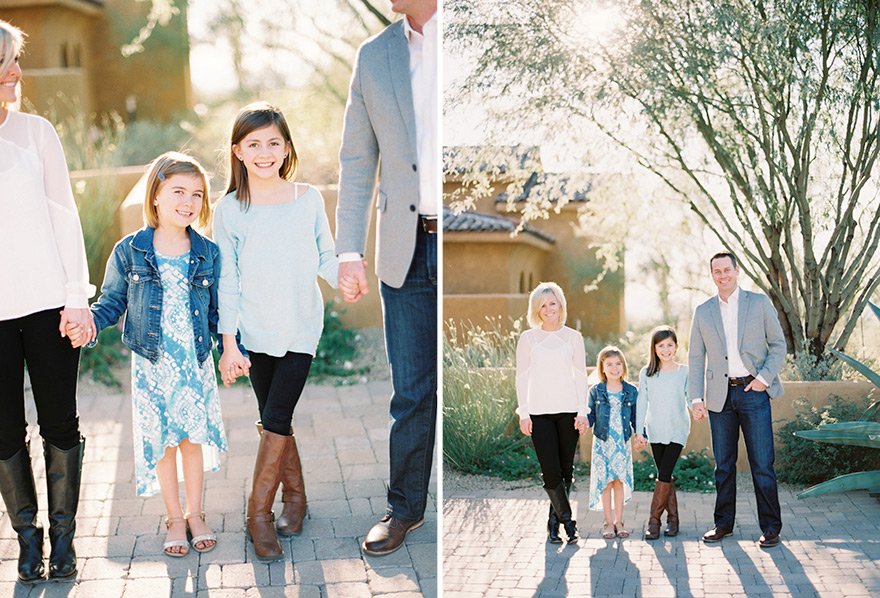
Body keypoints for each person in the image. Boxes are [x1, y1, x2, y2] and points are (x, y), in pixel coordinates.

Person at [68, 152, 235, 558]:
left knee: (192, 440)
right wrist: (88, 323)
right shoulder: (130, 251)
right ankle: (174, 517)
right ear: (155, 195)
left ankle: (196, 513)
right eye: (178, 191)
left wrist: (233, 350)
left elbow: (217, 312)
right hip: (151, 365)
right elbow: (111, 302)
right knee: (163, 443)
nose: (189, 201)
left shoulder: (207, 252)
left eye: (197, 194)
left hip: (193, 363)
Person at [213, 102, 339, 561]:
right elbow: (227, 280)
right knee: (274, 421)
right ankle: (297, 499)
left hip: (300, 328)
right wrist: (229, 343)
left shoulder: (307, 199)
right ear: (238, 152)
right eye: (254, 144)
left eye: (273, 143)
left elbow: (327, 254)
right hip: (251, 333)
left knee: (278, 417)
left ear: (286, 148)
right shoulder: (229, 209)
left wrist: (343, 275)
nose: (265, 152)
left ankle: (258, 515)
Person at [335, 0, 438, 556]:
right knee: (412, 390)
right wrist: (348, 249)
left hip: (464, 236)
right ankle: (405, 510)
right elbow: (357, 160)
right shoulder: (373, 57)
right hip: (406, 246)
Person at [0, 20, 93, 582]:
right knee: (4, 431)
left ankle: (64, 541)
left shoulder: (37, 133)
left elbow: (66, 218)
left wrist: (76, 298)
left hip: (48, 306)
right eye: (7, 62)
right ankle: (27, 541)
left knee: (60, 421)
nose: (17, 71)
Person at [689, 251, 786, 548]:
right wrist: (695, 397)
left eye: (727, 269)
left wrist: (763, 379)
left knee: (762, 464)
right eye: (716, 271)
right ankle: (723, 525)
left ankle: (770, 528)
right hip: (719, 398)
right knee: (724, 465)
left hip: (753, 393)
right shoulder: (703, 311)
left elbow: (778, 345)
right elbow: (695, 357)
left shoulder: (758, 303)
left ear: (737, 270)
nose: (722, 275)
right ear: (712, 275)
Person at [515, 283, 589, 544]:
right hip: (539, 413)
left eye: (553, 303)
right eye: (543, 305)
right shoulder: (528, 338)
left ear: (561, 305)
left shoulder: (572, 337)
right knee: (550, 471)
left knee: (566, 470)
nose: (549, 309)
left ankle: (552, 522)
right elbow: (522, 376)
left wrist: (583, 410)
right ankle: (569, 524)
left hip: (569, 411)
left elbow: (581, 375)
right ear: (537, 309)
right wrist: (523, 412)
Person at [634, 326, 690, 540]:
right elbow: (641, 403)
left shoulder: (683, 371)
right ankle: (673, 520)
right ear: (654, 348)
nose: (665, 349)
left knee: (664, 473)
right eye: (661, 346)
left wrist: (698, 408)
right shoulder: (647, 373)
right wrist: (640, 432)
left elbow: (689, 397)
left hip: (678, 429)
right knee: (664, 477)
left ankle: (654, 521)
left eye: (669, 345)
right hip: (655, 430)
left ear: (676, 347)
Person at [587, 346, 639, 539]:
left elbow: (635, 418)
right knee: (606, 483)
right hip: (602, 443)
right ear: (602, 367)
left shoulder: (631, 391)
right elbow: (590, 415)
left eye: (618, 364)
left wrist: (641, 435)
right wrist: (583, 423)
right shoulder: (596, 391)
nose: (614, 368)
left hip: (621, 442)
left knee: (618, 481)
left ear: (623, 366)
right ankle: (608, 523)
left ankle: (619, 521)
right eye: (609, 364)